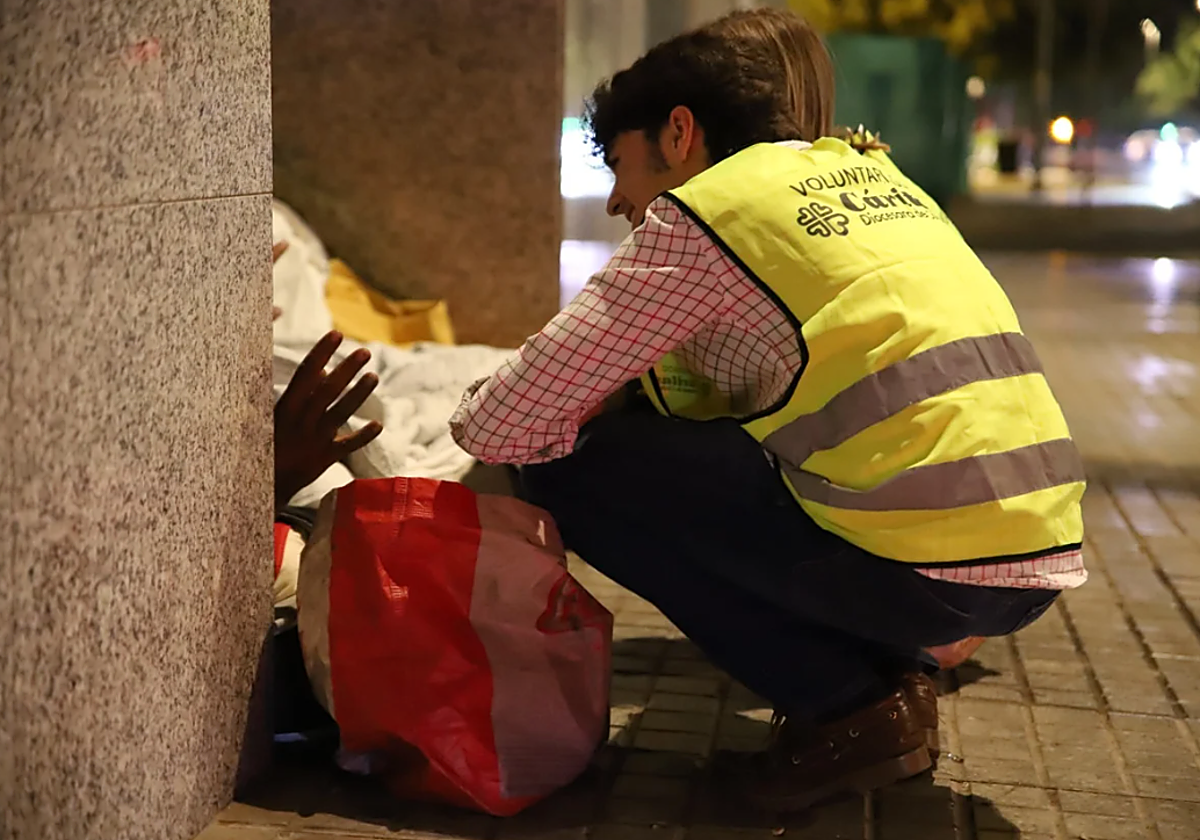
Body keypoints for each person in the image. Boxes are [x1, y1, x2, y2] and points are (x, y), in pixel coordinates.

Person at [450, 8, 1086, 812]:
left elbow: (502, 423)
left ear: (679, 134)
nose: (616, 201)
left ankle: (847, 708)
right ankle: (898, 678)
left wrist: (586, 402)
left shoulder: (709, 213)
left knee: (573, 465)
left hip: (925, 566)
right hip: (1037, 557)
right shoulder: (876, 178)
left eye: (622, 164)